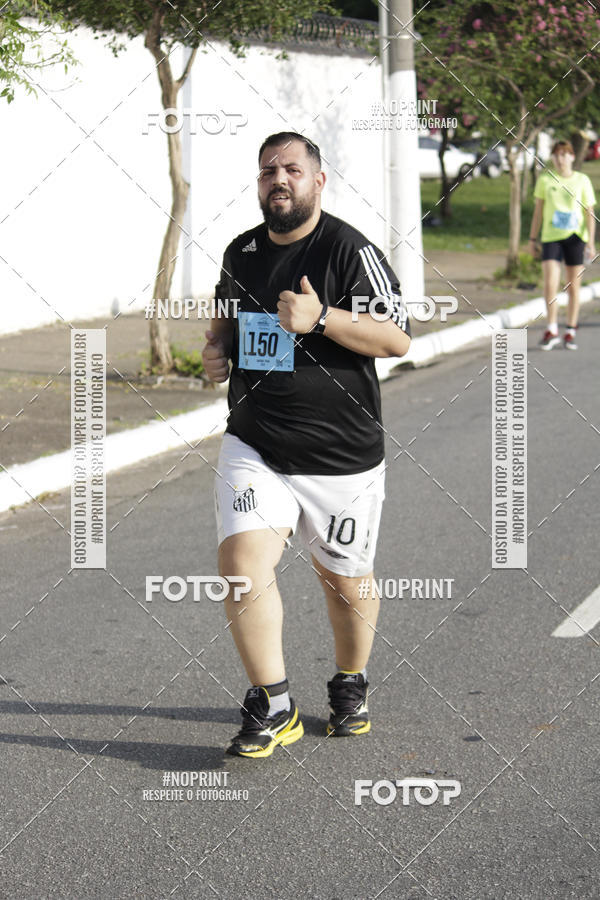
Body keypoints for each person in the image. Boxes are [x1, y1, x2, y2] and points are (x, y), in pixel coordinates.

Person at [202, 131, 411, 758]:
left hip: (339, 456)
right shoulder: (241, 251)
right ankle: (274, 701)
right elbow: (225, 325)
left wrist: (320, 319)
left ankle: (350, 680)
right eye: (268, 170)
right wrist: (215, 353)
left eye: (292, 168)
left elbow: (397, 338)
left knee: (344, 582)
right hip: (256, 442)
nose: (279, 179)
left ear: (318, 180)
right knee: (242, 569)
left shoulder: (350, 251)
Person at [528, 140, 596, 350]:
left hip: (576, 237)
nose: (561, 159)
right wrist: (532, 239)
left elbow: (589, 213)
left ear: (573, 157)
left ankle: (571, 330)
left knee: (573, 286)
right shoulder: (545, 180)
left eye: (565, 155)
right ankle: (552, 328)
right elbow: (538, 212)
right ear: (552, 158)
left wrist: (591, 243)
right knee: (550, 284)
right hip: (551, 237)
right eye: (557, 155)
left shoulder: (582, 180)